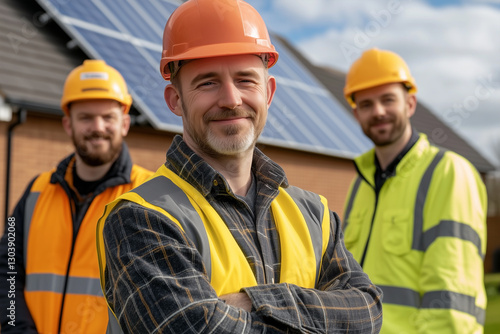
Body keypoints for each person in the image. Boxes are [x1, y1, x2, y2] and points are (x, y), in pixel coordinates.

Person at [96, 0, 383, 333]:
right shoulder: (140, 218)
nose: (231, 99)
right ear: (175, 99)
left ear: (269, 92)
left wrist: (257, 301)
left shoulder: (314, 215)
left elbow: (368, 313)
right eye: (207, 82)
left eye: (246, 80)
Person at [0, 59, 153, 334]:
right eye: (85, 117)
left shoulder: (150, 194)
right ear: (68, 125)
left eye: (108, 117)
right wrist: (16, 328)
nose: (97, 127)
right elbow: (6, 267)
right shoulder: (36, 189)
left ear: (125, 124)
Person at [342, 48, 487, 333]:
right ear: (356, 114)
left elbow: (452, 298)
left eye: (388, 100)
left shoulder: (448, 172)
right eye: (367, 104)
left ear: (410, 104)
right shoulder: (360, 185)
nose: (379, 112)